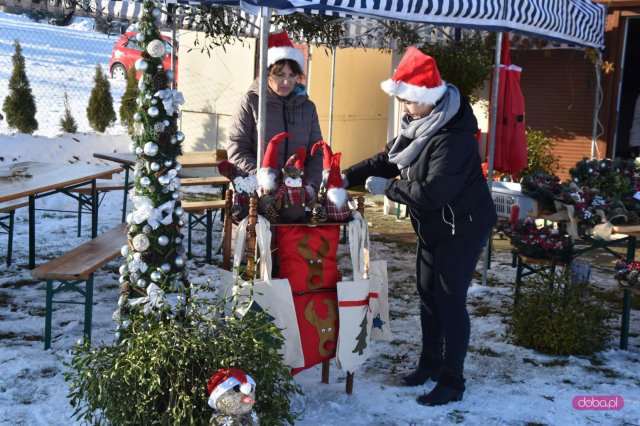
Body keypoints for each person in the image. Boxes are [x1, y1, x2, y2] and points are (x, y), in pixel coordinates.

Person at [341, 47, 497, 406]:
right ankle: (430, 363)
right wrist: (350, 173)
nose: (404, 109)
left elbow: (432, 193)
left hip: (463, 225)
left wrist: (388, 188)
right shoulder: (420, 124)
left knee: (450, 300)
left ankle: (452, 380)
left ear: (429, 98)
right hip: (436, 227)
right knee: (428, 295)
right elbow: (390, 157)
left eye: (408, 101)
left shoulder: (452, 136)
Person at [227, 30, 323, 190]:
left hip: (297, 193)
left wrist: (309, 185)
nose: (286, 81)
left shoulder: (308, 107)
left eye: (292, 75)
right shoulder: (250, 102)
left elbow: (317, 153)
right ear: (267, 73)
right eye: (279, 74)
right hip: (256, 191)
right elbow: (237, 149)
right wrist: (264, 178)